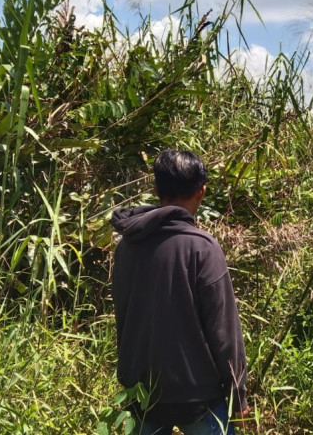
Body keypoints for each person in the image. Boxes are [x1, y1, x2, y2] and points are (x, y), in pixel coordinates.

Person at [111, 149, 249, 435]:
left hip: (141, 394)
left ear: (155, 189)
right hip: (196, 395)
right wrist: (238, 396)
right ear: (202, 192)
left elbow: (123, 316)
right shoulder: (202, 248)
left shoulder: (126, 247)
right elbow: (224, 331)